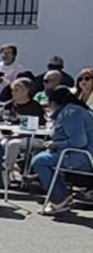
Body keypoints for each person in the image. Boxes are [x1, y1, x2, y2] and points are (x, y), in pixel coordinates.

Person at [33, 86, 93, 216]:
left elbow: (79, 141)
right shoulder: (74, 110)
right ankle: (60, 195)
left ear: (53, 103)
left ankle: (59, 199)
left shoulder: (70, 113)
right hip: (76, 153)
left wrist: (56, 144)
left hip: (83, 156)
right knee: (41, 156)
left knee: (39, 161)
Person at [1, 78, 45, 178]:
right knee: (2, 143)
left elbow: (41, 124)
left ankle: (6, 170)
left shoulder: (35, 106)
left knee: (13, 144)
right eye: (12, 89)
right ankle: (6, 170)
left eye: (17, 90)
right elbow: (2, 121)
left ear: (26, 91)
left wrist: (22, 120)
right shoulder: (8, 106)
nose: (13, 92)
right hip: (12, 135)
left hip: (32, 138)